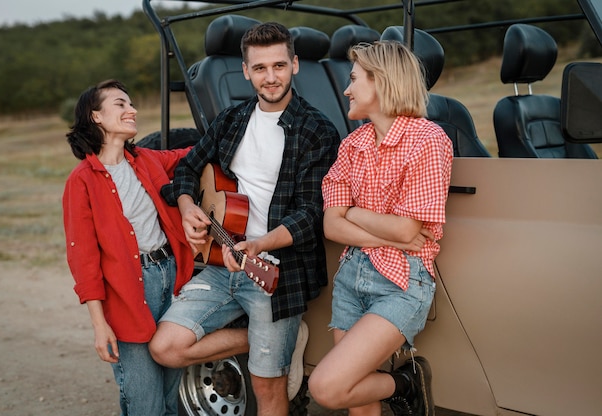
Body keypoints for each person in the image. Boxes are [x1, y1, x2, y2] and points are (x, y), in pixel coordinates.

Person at [148, 22, 340, 415]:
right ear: (246, 70)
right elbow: (186, 169)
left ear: (295, 65)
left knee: (266, 388)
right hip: (221, 263)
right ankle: (263, 338)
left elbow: (311, 214)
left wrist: (260, 244)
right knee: (165, 348)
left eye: (279, 66)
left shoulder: (317, 130)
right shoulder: (232, 120)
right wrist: (187, 207)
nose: (271, 78)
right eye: (260, 68)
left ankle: (276, 339)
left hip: (276, 274)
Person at [308, 41, 453, 416]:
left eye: (354, 79)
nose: (346, 89)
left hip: (401, 281)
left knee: (328, 387)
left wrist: (352, 213)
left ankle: (405, 382)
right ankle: (402, 385)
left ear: (382, 82)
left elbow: (406, 231)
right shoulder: (352, 145)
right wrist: (366, 221)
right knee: (357, 399)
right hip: (352, 278)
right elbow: (332, 225)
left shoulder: (427, 141)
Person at [62, 79, 195, 416]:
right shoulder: (82, 180)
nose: (131, 109)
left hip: (173, 278)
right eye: (120, 104)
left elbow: (192, 154)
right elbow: (83, 259)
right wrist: (99, 324)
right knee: (146, 404)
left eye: (131, 103)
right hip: (128, 292)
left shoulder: (147, 160)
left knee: (171, 397)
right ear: (95, 116)